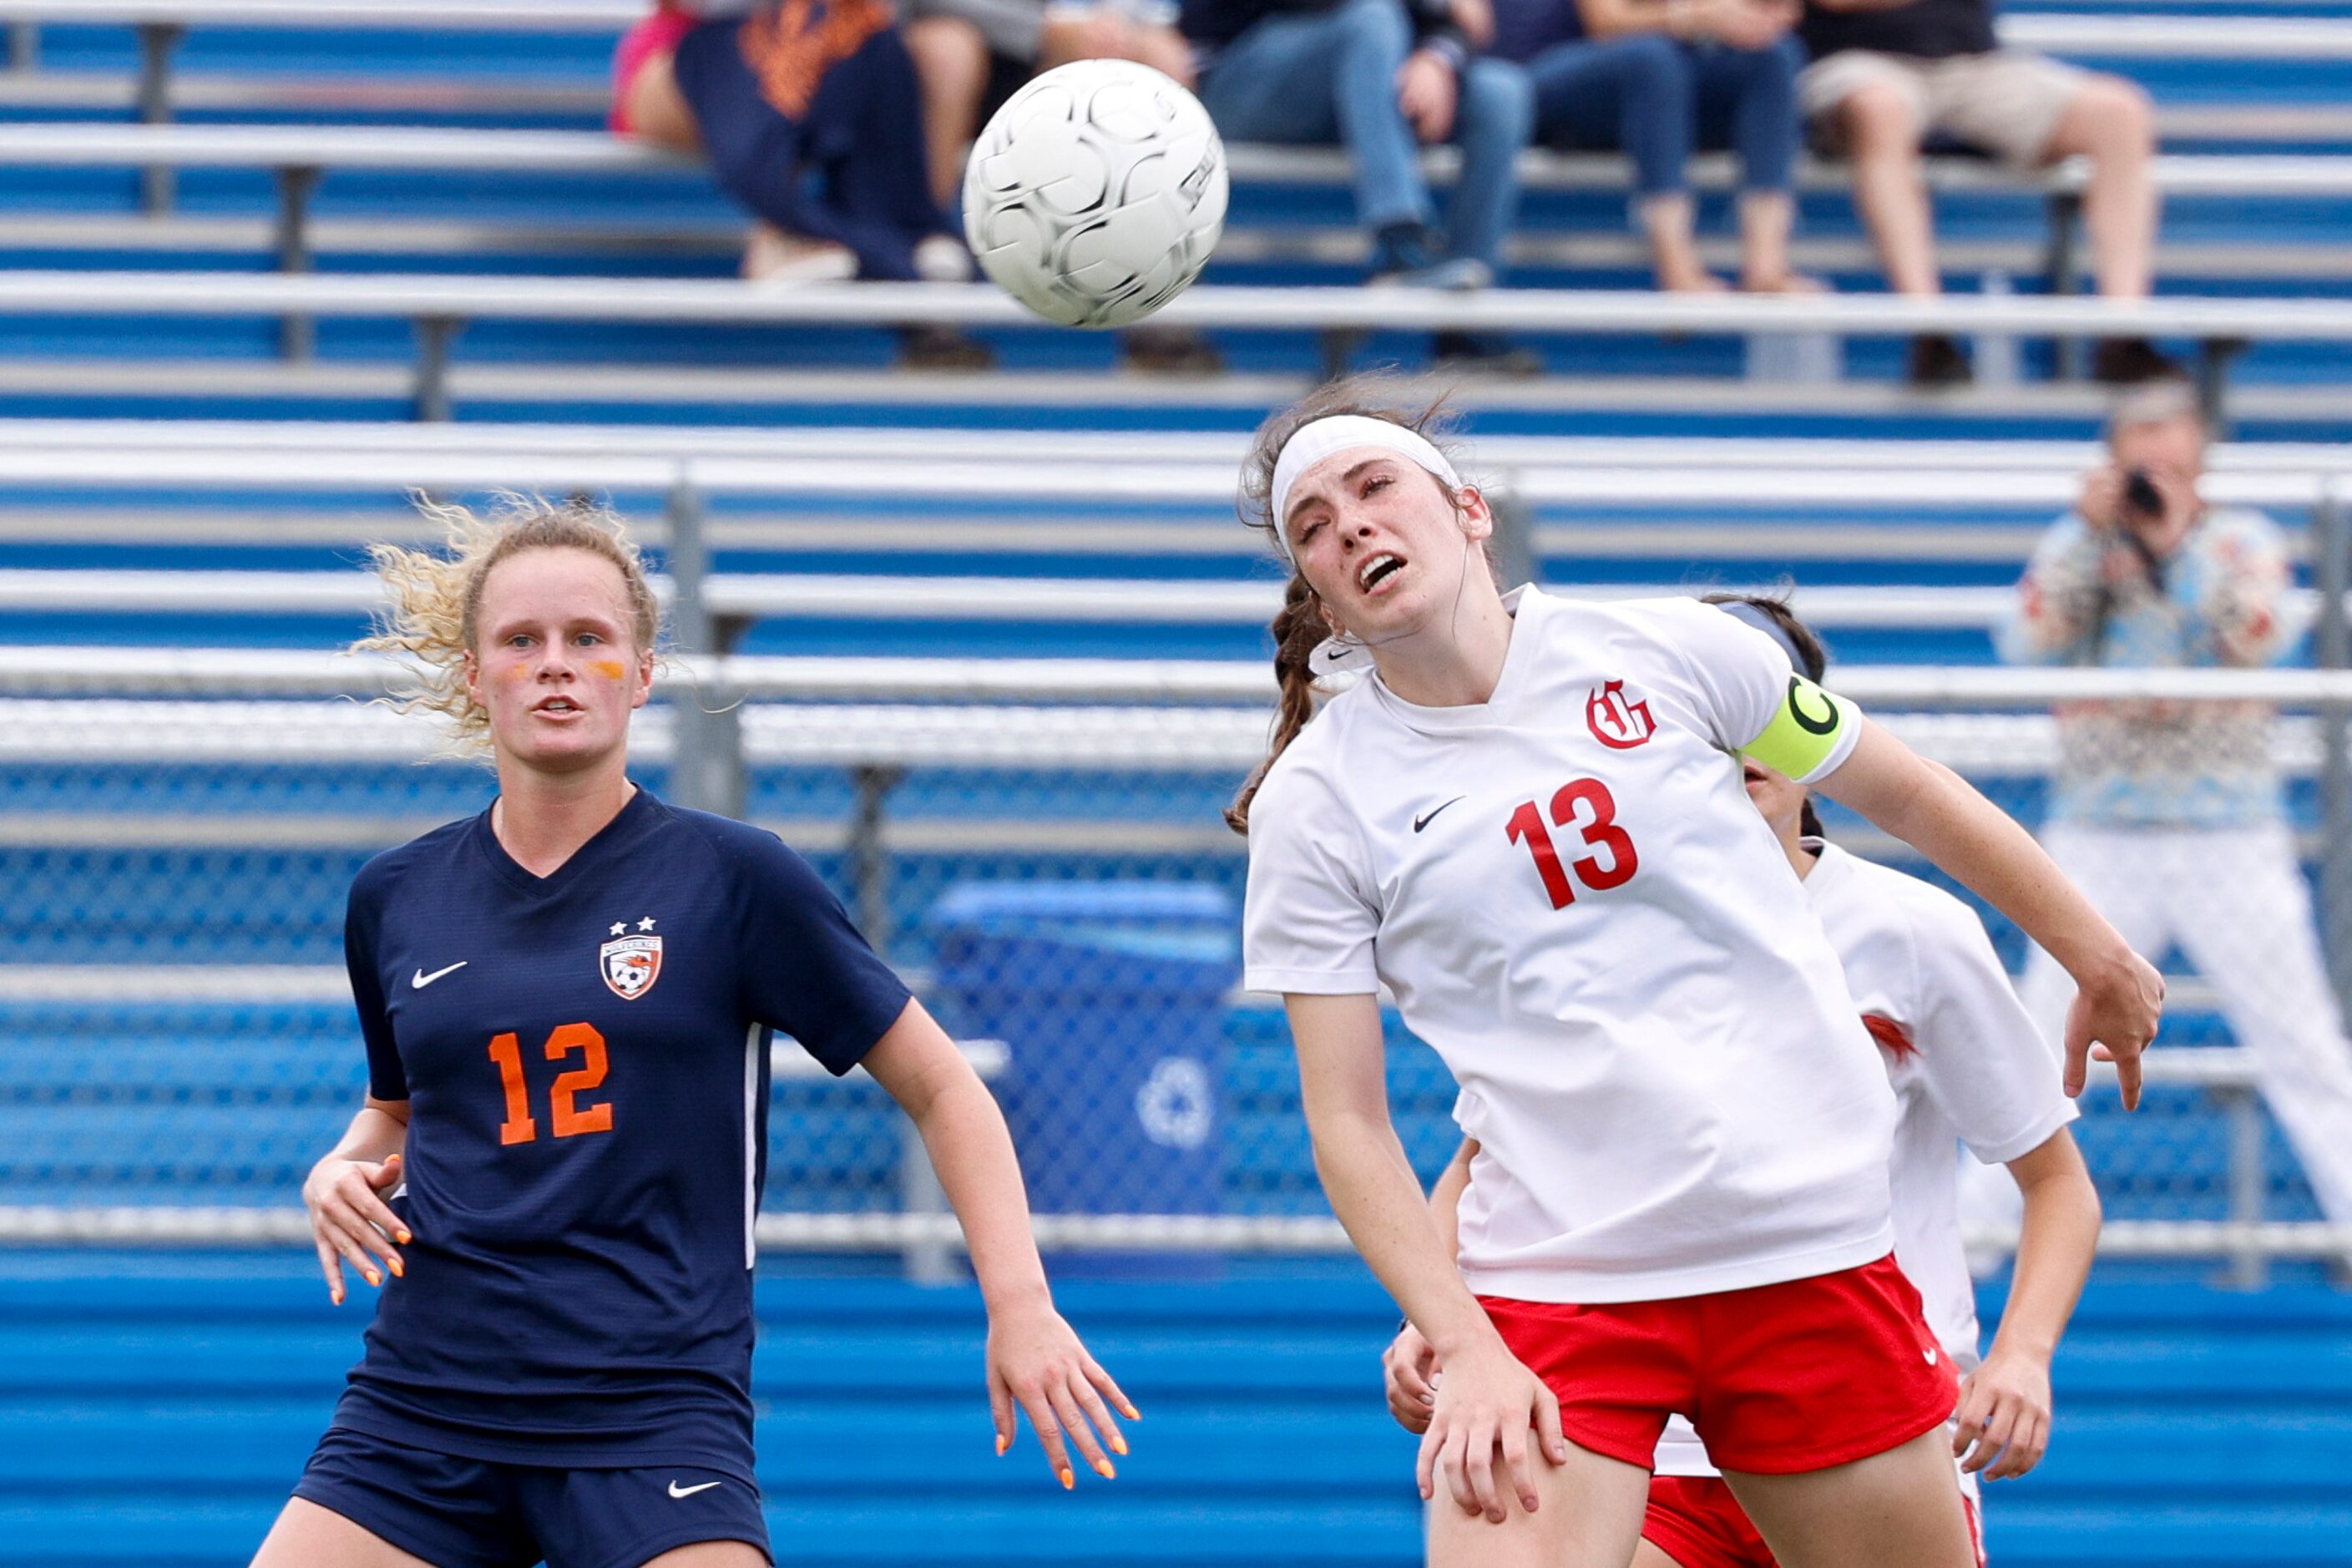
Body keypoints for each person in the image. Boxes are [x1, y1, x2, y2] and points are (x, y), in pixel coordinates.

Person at [1228, 373, 2160, 1566]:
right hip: (1556, 1285)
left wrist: (2097, 950)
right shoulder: (1320, 799)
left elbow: (1908, 791)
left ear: (1469, 512)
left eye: (1373, 487)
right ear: (1324, 601)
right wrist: (1458, 1336)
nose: (1348, 524)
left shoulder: (1672, 655)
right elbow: (1346, 1120)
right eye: (1312, 526)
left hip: (1801, 1250)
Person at [253, 499, 1133, 1568]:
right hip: (425, 1404)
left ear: (645, 671)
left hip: (650, 1410)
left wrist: (1021, 1305)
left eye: (590, 640)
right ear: (476, 679)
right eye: (521, 642)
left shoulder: (736, 879)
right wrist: (341, 1167)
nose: (556, 666)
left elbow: (947, 1090)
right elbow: (396, 1110)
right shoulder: (394, 896)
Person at [1383, 594, 2105, 1568]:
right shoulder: (1592, 928)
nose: (1742, 739)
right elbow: (1484, 1155)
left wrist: (2022, 1356)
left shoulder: (1910, 931)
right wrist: (1437, 1317)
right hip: (1654, 1460)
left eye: (1767, 704)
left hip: (1864, 1423)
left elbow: (2057, 1182)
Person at [1998, 377, 2352, 1240]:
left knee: (2303, 1045)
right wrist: (2089, 541)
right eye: (2138, 437)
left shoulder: (2240, 544)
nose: (2155, 454)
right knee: (2035, 1048)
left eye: (2170, 435)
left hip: (2228, 830)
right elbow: (2024, 644)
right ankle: (1977, 1243)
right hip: (2098, 833)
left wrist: (2176, 547)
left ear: (2200, 448)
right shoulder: (2077, 539)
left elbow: (2261, 642)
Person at [1797, 0, 2167, 387]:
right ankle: (1927, 326)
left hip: (1974, 63)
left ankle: (2123, 334)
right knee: (1880, 109)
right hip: (1855, 62)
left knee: (2120, 112)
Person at [611, 0, 991, 369]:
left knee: (933, 45)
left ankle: (906, 233)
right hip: (702, 58)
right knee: (806, 28)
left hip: (842, 53)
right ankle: (789, 227)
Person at [1181, 0, 1539, 372]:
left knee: (1501, 92)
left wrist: (1436, 60)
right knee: (1371, 17)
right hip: (1237, 78)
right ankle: (1399, 243)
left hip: (1367, 73)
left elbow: (1457, 24)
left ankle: (1465, 329)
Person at [898, 0, 1226, 373]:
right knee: (946, 52)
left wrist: (1112, 23)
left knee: (1163, 56)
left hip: (1074, 40)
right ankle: (930, 260)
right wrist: (1042, 30)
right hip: (971, 34)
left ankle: (1162, 284)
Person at [1489, 0, 1818, 294]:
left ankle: (1766, 266)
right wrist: (1692, 15)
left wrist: (1755, 19)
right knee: (1653, 57)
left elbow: (1785, 12)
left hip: (1669, 83)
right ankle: (1677, 269)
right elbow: (1605, 23)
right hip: (1555, 74)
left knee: (1776, 54)